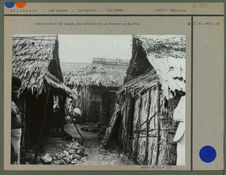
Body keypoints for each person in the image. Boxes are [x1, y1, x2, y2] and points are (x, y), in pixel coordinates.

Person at [11, 76, 22, 164]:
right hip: (11, 141)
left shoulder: (12, 102)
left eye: (18, 89)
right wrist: (11, 149)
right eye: (15, 89)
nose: (17, 91)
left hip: (16, 138)